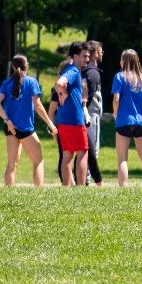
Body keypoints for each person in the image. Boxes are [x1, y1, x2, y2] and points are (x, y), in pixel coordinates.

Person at [0, 54, 55, 187]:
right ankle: (38, 194)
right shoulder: (31, 82)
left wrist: (7, 120)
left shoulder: (6, 83)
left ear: (12, 67)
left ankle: (8, 193)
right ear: (27, 66)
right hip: (25, 128)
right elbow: (38, 105)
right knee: (38, 161)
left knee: (12, 164)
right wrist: (50, 123)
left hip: (10, 128)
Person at [111, 49, 142, 187]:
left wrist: (115, 113)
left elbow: (116, 98)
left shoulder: (119, 76)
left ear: (124, 61)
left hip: (124, 120)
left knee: (122, 158)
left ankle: (124, 188)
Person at [53, 41, 91, 187]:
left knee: (67, 155)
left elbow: (58, 84)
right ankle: (81, 188)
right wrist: (64, 93)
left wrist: (62, 93)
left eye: (88, 56)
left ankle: (66, 187)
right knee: (82, 153)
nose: (87, 59)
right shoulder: (74, 70)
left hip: (63, 119)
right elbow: (59, 84)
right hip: (74, 119)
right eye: (84, 56)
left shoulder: (68, 68)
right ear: (75, 56)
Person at [82, 41, 105, 186]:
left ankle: (82, 177)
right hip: (91, 114)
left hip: (85, 114)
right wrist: (85, 112)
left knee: (84, 147)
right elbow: (89, 96)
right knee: (92, 149)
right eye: (101, 51)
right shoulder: (93, 73)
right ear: (95, 53)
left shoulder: (84, 70)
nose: (102, 53)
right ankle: (86, 179)